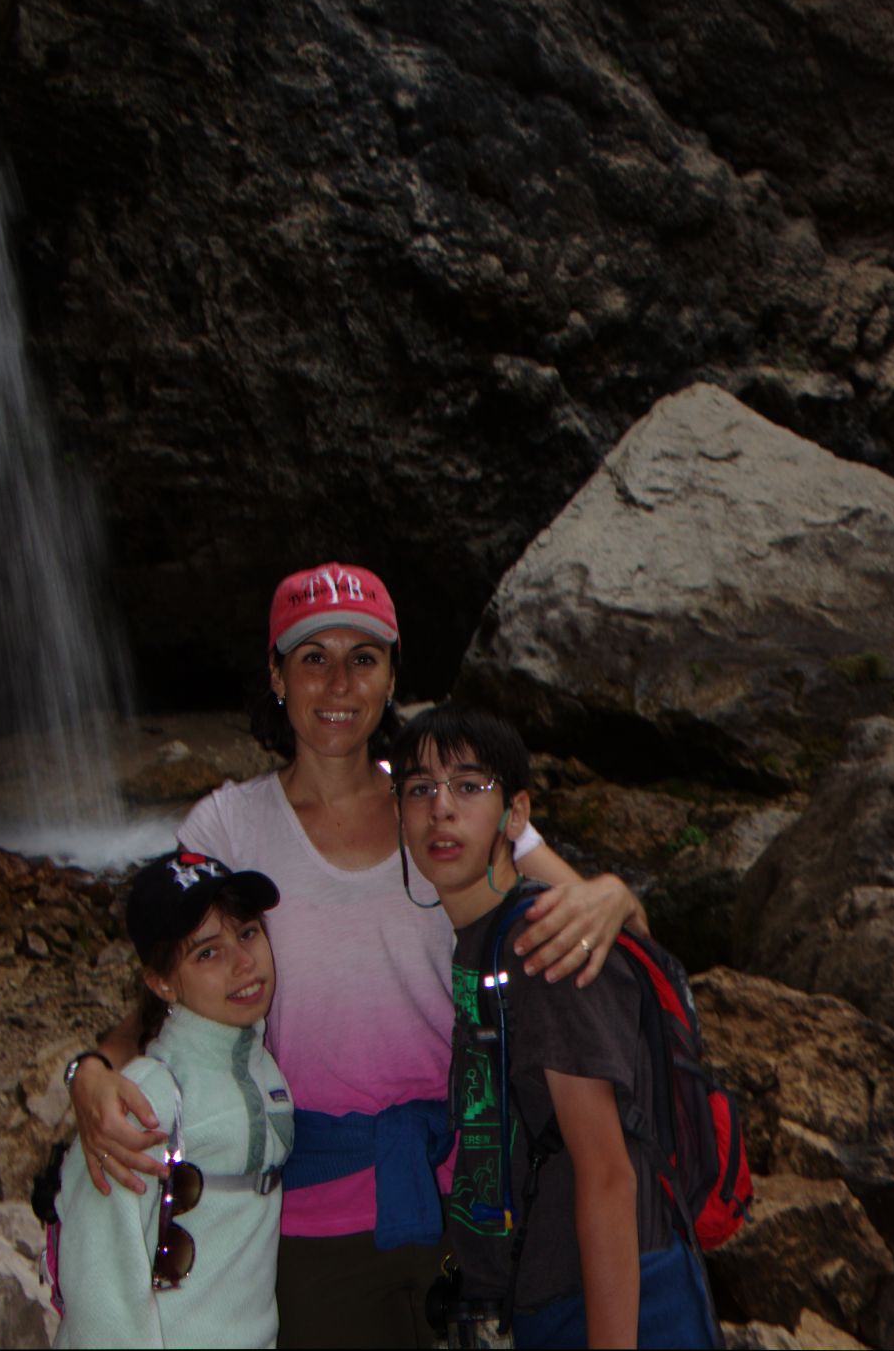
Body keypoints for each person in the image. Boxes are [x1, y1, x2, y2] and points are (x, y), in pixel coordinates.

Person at [71, 562, 647, 1350]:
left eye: (363, 657)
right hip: (310, 1221)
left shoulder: (440, 803)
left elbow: (606, 923)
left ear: (390, 675)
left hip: (470, 1198)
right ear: (276, 674)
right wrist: (92, 1073)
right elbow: (173, 995)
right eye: (313, 657)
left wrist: (613, 892)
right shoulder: (229, 827)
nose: (338, 681)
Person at [392, 702, 720, 1351]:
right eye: (420, 788)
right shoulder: (474, 940)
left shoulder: (544, 944)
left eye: (468, 785)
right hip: (549, 1297)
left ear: (515, 813)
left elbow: (607, 1171)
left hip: (622, 1302)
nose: (442, 809)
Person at [52, 847, 293, 1349]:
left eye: (248, 932)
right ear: (161, 982)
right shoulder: (149, 1097)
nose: (244, 962)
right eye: (207, 953)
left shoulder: (262, 1066)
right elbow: (99, 1275)